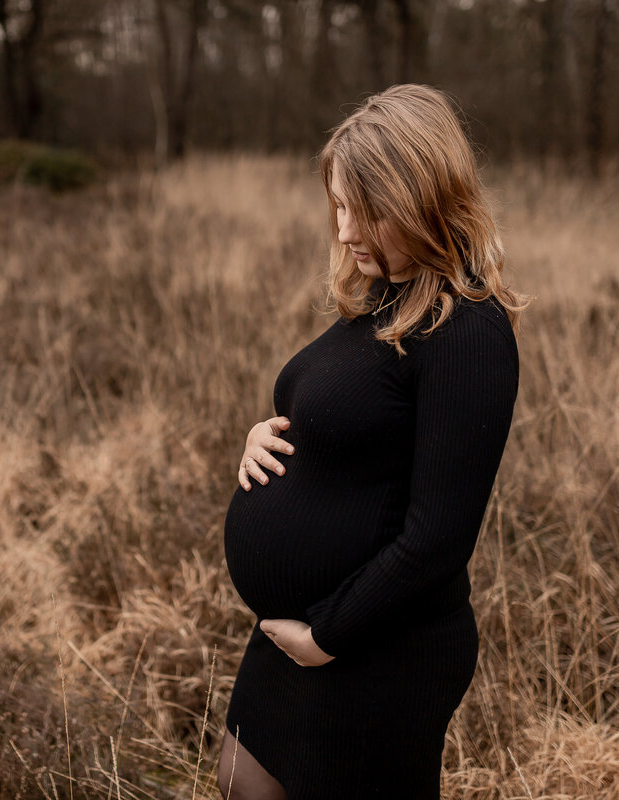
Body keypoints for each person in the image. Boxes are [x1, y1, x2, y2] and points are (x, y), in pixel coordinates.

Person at [218, 84, 529, 799]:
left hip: (379, 647)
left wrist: (326, 637)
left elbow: (438, 538)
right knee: (243, 781)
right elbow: (341, 425)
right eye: (337, 203)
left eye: (367, 208)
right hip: (305, 639)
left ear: (425, 199)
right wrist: (262, 435)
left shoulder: (466, 333)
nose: (346, 228)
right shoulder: (387, 296)